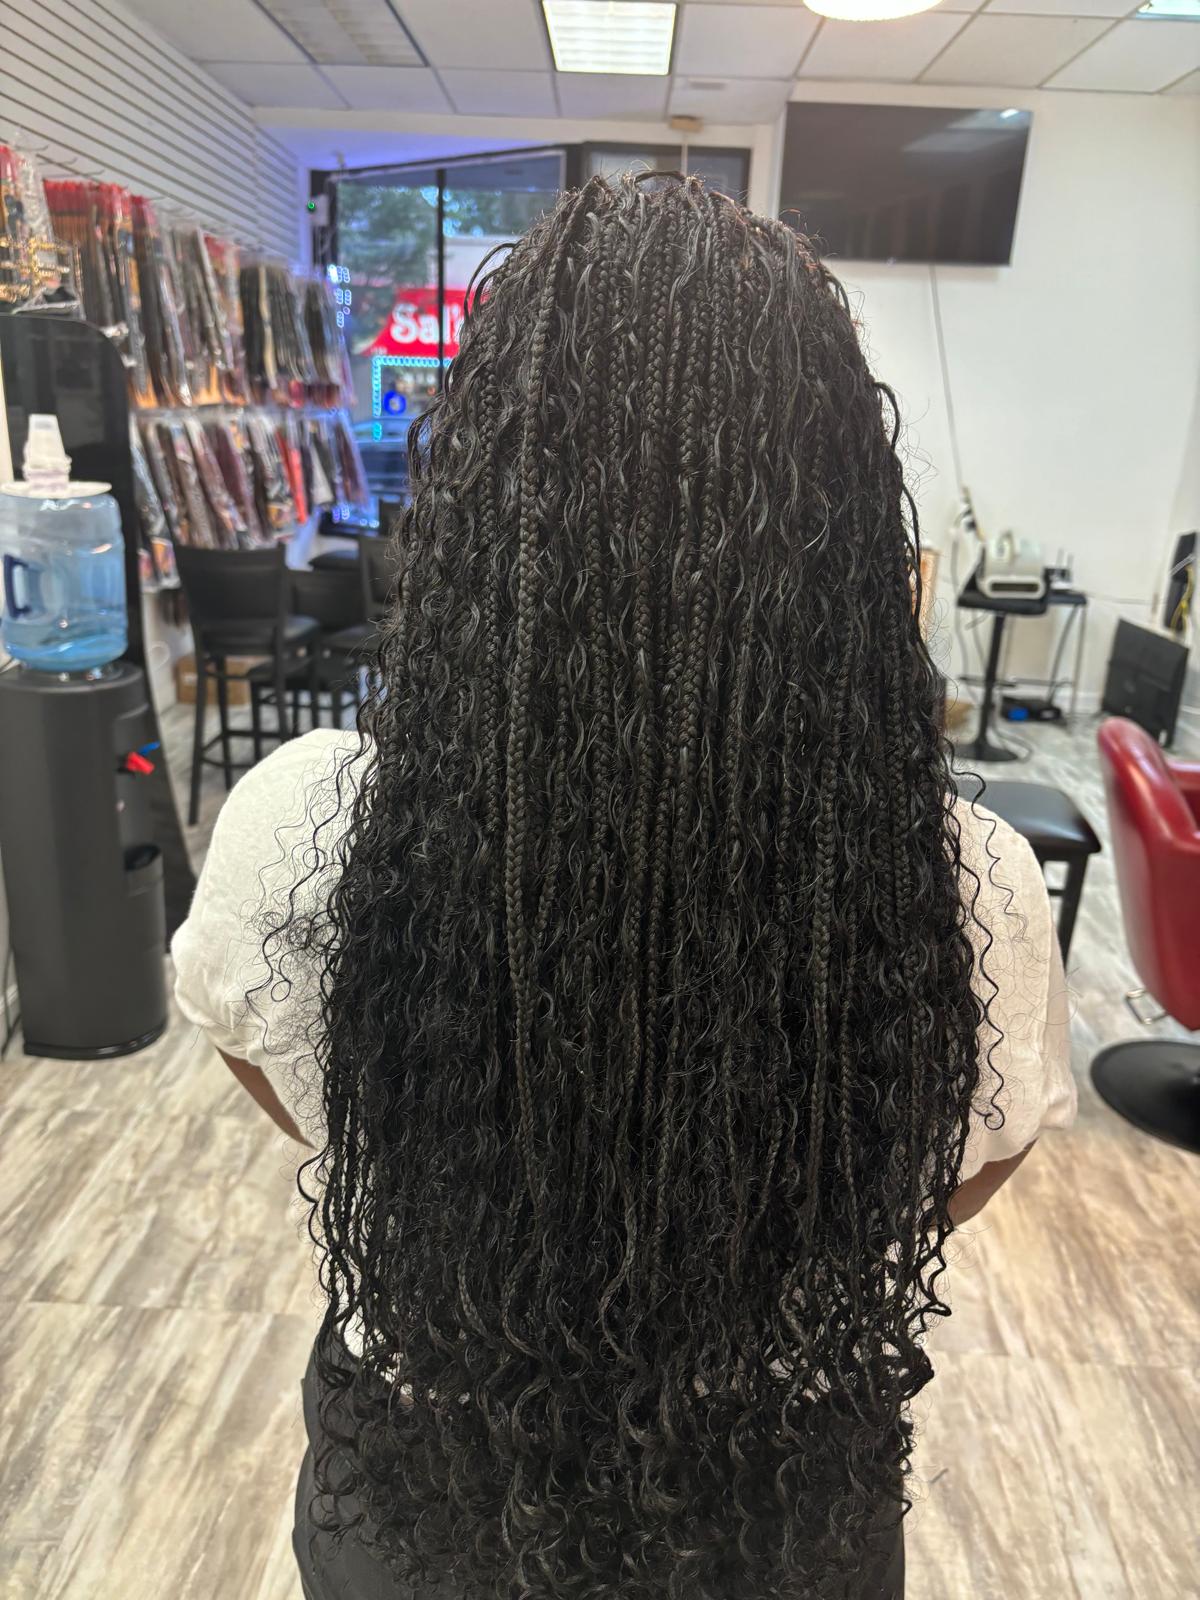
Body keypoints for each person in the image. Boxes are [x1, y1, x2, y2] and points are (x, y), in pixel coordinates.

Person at [172, 173, 1074, 1600]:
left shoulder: (304, 829)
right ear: (842, 524)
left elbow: (270, 1056)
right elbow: (969, 1161)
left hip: (425, 1491)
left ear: (483, 504)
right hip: (777, 1507)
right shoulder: (970, 888)